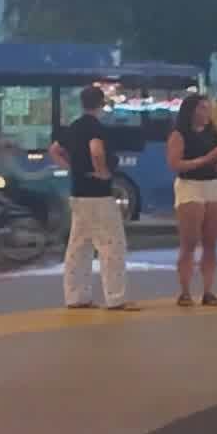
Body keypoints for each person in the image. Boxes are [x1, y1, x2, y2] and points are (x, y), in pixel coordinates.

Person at [53, 83, 134, 311]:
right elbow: (96, 150)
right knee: (112, 245)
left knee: (79, 246)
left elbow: (54, 150)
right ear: (101, 104)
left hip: (78, 193)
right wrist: (102, 172)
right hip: (98, 195)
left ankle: (76, 296)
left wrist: (72, 168)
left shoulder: (74, 127)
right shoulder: (96, 128)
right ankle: (115, 298)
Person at [165, 92, 217, 308]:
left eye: (208, 108)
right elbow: (175, 164)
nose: (206, 112)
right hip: (190, 185)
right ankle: (185, 291)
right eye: (202, 108)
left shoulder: (213, 133)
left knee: (211, 241)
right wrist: (206, 159)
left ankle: (208, 291)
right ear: (191, 111)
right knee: (190, 241)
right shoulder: (179, 134)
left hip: (213, 184)